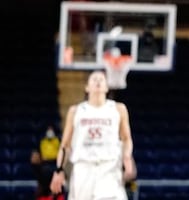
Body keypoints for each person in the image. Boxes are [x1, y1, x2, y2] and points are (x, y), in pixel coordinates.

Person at [49, 69, 135, 200]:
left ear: (107, 87)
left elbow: (126, 139)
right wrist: (59, 170)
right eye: (94, 79)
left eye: (101, 79)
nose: (98, 82)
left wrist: (127, 157)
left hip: (109, 167)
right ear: (87, 87)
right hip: (83, 168)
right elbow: (65, 145)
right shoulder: (76, 111)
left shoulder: (118, 109)